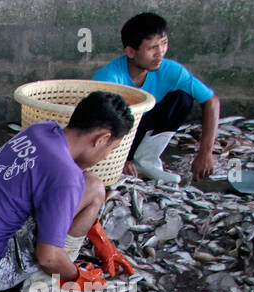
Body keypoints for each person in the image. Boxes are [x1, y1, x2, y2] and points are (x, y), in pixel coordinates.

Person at [0, 91, 136, 292]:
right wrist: (79, 277)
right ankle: (45, 284)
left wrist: (101, 241)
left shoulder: (41, 130)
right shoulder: (66, 175)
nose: (107, 156)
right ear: (102, 139)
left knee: (87, 183)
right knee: (95, 188)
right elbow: (48, 257)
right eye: (112, 148)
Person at [93, 12, 219, 182]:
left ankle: (146, 161)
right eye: (152, 48)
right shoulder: (109, 78)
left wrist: (205, 153)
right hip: (115, 136)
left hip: (141, 131)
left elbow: (211, 101)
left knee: (182, 98)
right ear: (131, 51)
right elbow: (95, 125)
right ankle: (121, 162)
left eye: (164, 43)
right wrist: (116, 159)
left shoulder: (171, 70)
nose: (160, 53)